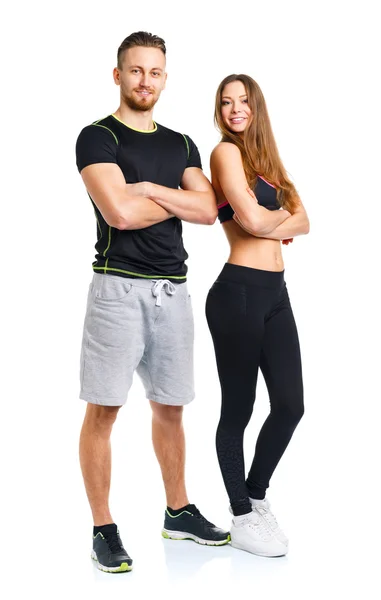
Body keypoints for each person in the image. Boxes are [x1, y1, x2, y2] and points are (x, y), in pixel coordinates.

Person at [75, 31, 230, 574]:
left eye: (156, 72)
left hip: (174, 291)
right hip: (117, 288)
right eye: (136, 71)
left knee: (170, 407)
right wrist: (173, 199)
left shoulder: (183, 144)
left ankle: (178, 511)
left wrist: (147, 190)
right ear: (118, 75)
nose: (146, 81)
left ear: (165, 77)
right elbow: (118, 213)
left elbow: (210, 210)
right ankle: (103, 527)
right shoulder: (97, 138)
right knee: (104, 410)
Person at [206, 74, 309, 557]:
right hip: (238, 293)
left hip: (276, 294)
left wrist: (275, 221)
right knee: (239, 410)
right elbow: (249, 220)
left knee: (290, 405)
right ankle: (241, 516)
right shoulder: (225, 153)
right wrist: (276, 222)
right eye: (226, 102)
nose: (234, 109)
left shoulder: (267, 162)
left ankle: (256, 494)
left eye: (243, 101)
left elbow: (305, 220)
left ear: (256, 106)